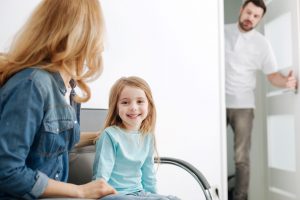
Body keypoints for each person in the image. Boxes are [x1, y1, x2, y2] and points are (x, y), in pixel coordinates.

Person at [0, 0, 117, 199]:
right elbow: (7, 171)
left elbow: (54, 141)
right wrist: (80, 191)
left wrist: (104, 135)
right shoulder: (32, 85)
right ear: (82, 33)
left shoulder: (70, 88)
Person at [225, 0, 297, 200]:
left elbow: (272, 76)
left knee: (242, 159)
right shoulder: (221, 32)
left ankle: (240, 198)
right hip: (216, 104)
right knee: (208, 146)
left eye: (256, 16)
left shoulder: (261, 43)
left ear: (260, 18)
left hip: (243, 106)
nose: (250, 18)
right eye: (248, 12)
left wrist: (288, 82)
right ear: (241, 10)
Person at [92, 76, 180, 200]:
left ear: (149, 105)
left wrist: (155, 196)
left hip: (138, 193)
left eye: (139, 101)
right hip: (112, 194)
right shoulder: (110, 135)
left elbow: (148, 174)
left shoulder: (147, 136)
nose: (133, 107)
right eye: (125, 102)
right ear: (116, 107)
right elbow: (101, 175)